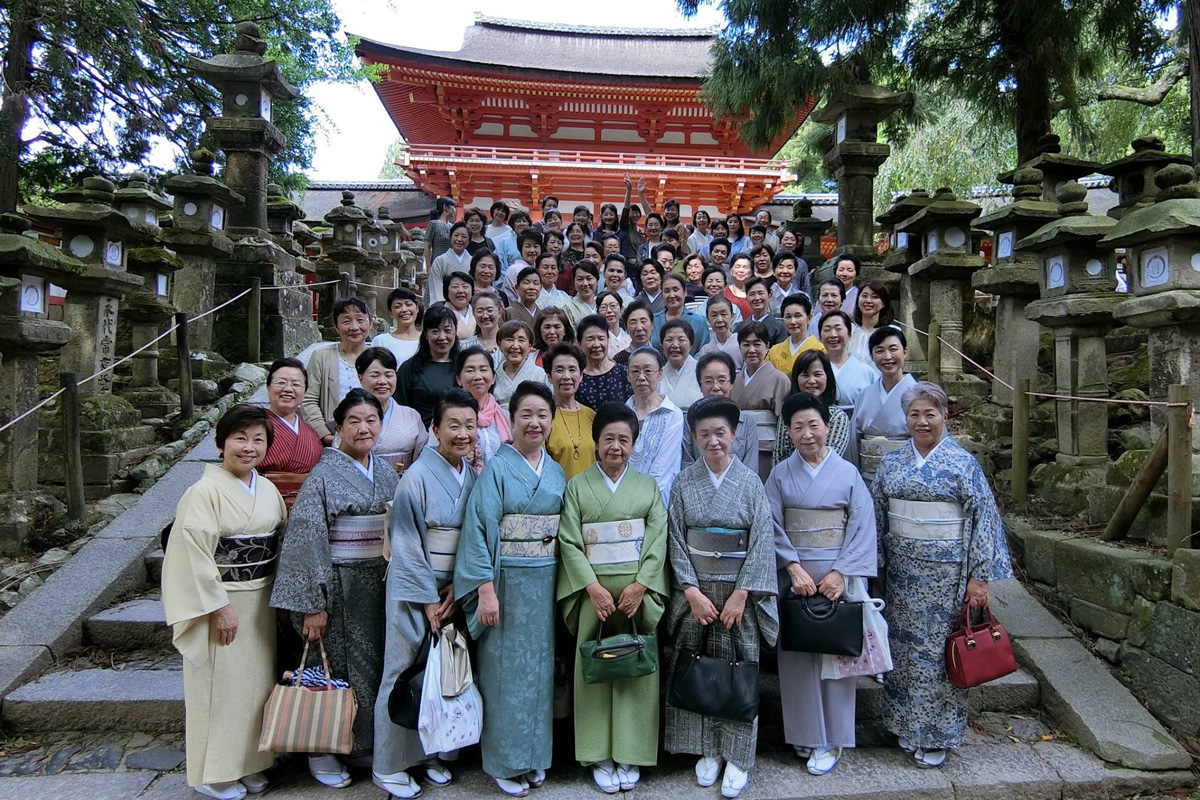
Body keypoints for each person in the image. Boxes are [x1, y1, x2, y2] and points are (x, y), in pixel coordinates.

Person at [874, 382, 1012, 768]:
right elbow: (878, 517)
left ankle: (938, 735)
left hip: (947, 577)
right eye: (914, 414)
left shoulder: (962, 464)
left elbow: (983, 521)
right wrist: (878, 566)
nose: (922, 421)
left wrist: (979, 578)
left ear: (944, 417)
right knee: (903, 653)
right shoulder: (892, 463)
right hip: (901, 575)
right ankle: (904, 726)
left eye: (929, 414)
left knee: (940, 656)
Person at [272, 390, 400, 788]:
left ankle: (359, 743)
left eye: (372, 420)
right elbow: (307, 538)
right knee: (331, 667)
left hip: (377, 584)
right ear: (338, 427)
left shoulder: (386, 471)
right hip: (337, 586)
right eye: (355, 421)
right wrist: (312, 603)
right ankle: (322, 751)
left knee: (372, 666)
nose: (364, 428)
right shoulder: (322, 476)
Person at [163, 405, 286, 800]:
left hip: (261, 598)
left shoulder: (266, 489)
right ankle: (214, 773)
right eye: (240, 438)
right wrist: (219, 606)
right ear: (221, 443)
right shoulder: (202, 492)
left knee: (253, 688)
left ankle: (248, 763)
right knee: (220, 689)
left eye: (258, 440)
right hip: (225, 601)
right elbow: (193, 555)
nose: (248, 448)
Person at [663, 397, 778, 800]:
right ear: (693, 438)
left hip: (737, 599)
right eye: (704, 434)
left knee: (738, 672)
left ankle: (739, 756)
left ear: (734, 435)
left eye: (721, 433)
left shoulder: (750, 483)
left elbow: (763, 541)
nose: (714, 441)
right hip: (697, 596)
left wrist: (742, 593)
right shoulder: (683, 483)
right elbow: (675, 539)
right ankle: (707, 750)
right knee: (699, 671)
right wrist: (690, 591)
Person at [455, 382, 567, 796]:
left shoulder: (554, 471)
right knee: (503, 675)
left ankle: (535, 757)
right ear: (512, 419)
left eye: (543, 415)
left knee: (539, 674)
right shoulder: (498, 469)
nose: (535, 422)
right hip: (505, 582)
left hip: (545, 579)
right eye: (526, 415)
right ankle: (504, 761)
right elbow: (480, 529)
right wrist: (484, 589)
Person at [557, 402, 668, 793]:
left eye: (624, 439)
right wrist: (592, 588)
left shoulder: (647, 487)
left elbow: (657, 540)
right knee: (596, 668)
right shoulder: (577, 487)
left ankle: (631, 752)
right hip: (594, 594)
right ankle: (598, 753)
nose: (616, 446)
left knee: (635, 669)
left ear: (634, 444)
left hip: (636, 592)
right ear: (596, 442)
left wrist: (641, 585)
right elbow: (569, 542)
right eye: (608, 439)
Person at [373, 389, 480, 799]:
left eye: (470, 425)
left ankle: (431, 753)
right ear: (435, 429)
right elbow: (405, 542)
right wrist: (428, 598)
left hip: (452, 588)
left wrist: (460, 583)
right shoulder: (416, 477)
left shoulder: (471, 476)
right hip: (413, 588)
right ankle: (388, 764)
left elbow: (474, 536)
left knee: (441, 673)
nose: (462, 433)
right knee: (402, 671)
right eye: (453, 425)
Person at [765, 392, 877, 776]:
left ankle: (834, 738)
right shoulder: (779, 474)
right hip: (795, 579)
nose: (807, 434)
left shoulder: (847, 473)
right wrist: (792, 567)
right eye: (798, 427)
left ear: (827, 427)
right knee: (797, 658)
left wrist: (840, 573)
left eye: (814, 425)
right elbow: (771, 525)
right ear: (789, 433)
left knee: (834, 657)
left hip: (835, 578)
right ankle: (805, 735)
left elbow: (862, 526)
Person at [303, 297, 373, 446]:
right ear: (336, 326)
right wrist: (326, 436)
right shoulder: (321, 357)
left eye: (360, 320)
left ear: (370, 324)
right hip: (332, 439)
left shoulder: (377, 358)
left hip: (372, 439)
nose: (354, 327)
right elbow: (308, 400)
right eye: (346, 321)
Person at [850, 327, 917, 484]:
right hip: (868, 479)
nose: (887, 357)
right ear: (872, 357)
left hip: (908, 477)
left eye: (893, 349)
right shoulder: (864, 395)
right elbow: (853, 442)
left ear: (905, 352)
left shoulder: (920, 395)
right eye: (879, 351)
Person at [259, 358, 324, 508]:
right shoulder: (253, 425)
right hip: (264, 504)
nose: (288, 389)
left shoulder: (310, 431)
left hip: (307, 507)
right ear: (268, 386)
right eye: (281, 382)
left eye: (296, 384)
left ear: (304, 391)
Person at [625, 347, 684, 507]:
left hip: (659, 503)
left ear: (660, 374)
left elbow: (663, 469)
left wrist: (641, 503)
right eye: (635, 371)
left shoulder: (672, 414)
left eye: (648, 371)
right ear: (628, 376)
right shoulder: (622, 413)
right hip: (621, 500)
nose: (641, 377)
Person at [352, 347, 428, 471]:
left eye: (389, 375)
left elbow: (423, 458)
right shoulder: (349, 415)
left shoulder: (412, 415)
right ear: (361, 378)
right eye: (375, 375)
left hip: (404, 484)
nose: (383, 381)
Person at [682, 353, 759, 474]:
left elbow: (751, 468)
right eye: (708, 381)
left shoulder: (747, 422)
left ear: (731, 383)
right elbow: (687, 464)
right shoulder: (688, 420)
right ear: (700, 385)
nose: (716, 387)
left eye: (722, 380)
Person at [773, 350, 850, 467]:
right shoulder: (788, 412)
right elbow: (779, 455)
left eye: (817, 374)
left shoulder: (837, 416)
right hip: (787, 479)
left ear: (827, 377)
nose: (812, 380)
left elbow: (832, 458)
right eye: (805, 375)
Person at [396, 303, 460, 428]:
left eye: (447, 331)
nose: (442, 337)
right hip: (422, 440)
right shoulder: (410, 368)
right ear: (426, 334)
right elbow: (400, 409)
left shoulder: (464, 366)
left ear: (455, 332)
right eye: (435, 331)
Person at [456, 345, 510, 474]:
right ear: (458, 379)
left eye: (483, 369)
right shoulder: (448, 417)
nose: (477, 376)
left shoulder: (506, 417)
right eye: (470, 370)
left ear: (493, 378)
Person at [545, 343, 596, 480]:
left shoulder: (591, 415)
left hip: (591, 496)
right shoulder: (544, 417)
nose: (566, 376)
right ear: (549, 376)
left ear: (581, 375)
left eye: (572, 369)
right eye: (559, 370)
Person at [820, 311, 878, 408]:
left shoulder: (867, 372)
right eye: (826, 330)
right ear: (820, 337)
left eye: (838, 329)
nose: (833, 335)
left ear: (849, 334)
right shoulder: (814, 369)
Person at [731, 322, 790, 415]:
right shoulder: (734, 379)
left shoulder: (780, 379)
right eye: (746, 345)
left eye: (757, 344)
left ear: (767, 346)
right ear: (739, 347)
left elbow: (783, 422)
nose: (751, 350)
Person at [577, 313, 633, 409]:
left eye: (601, 338)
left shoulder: (623, 373)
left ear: (608, 340)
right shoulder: (576, 378)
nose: (597, 344)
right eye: (590, 339)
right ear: (579, 343)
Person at [766, 294, 823, 376]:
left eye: (798, 316)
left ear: (809, 318)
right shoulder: (774, 351)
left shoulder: (820, 350)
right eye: (788, 317)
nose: (793, 321)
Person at [494, 320, 546, 409]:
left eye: (521, 340)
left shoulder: (541, 374)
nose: (515, 346)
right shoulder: (493, 376)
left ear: (530, 346)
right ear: (499, 344)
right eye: (509, 340)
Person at [653, 273, 709, 355]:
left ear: (685, 292)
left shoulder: (699, 321)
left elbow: (704, 352)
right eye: (667, 291)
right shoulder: (654, 321)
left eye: (675, 290)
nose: (672, 295)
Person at [372, 287, 422, 366]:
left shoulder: (428, 339)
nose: (404, 309)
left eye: (408, 304)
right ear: (391, 313)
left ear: (417, 308)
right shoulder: (381, 341)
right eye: (398, 306)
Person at [660, 319, 703, 410]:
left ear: (691, 345)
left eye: (681, 340)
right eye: (669, 339)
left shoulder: (703, 372)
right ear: (662, 345)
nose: (675, 345)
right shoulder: (657, 375)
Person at [849, 281, 895, 365]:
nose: (868, 300)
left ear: (883, 303)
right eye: (864, 296)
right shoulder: (849, 331)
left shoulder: (891, 333)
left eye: (875, 297)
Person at [429, 222, 472, 306]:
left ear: (469, 240)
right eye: (456, 235)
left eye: (464, 237)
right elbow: (436, 286)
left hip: (468, 306)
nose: (459, 239)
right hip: (445, 306)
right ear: (450, 237)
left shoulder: (473, 261)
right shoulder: (440, 261)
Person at [697, 294, 743, 370]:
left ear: (732, 315)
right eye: (714, 315)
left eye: (724, 314)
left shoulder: (741, 344)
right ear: (708, 319)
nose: (719, 320)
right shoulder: (705, 351)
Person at [460, 290, 503, 364]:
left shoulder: (510, 345)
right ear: (473, 313)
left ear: (500, 312)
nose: (485, 315)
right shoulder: (463, 346)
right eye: (480, 311)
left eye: (490, 310)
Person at [739, 277, 785, 345]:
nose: (757, 298)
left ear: (770, 295)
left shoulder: (779, 327)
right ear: (746, 298)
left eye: (760, 293)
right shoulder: (741, 326)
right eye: (752, 294)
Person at [502, 230, 543, 302]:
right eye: (528, 246)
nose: (532, 250)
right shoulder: (514, 269)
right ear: (520, 249)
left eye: (536, 246)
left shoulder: (541, 268)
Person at [769, 250, 811, 316]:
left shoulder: (804, 297)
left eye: (789, 267)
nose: (785, 271)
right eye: (781, 267)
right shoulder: (766, 297)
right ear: (773, 271)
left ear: (795, 272)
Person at [423, 196, 457, 275]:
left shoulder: (452, 227)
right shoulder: (434, 224)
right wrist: (428, 266)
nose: (455, 210)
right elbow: (427, 246)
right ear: (445, 207)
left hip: (450, 263)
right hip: (436, 262)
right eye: (453, 207)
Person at [616, 300, 655, 366]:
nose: (639, 328)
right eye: (633, 322)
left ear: (652, 324)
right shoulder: (618, 360)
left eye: (643, 321)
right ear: (626, 327)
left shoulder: (663, 354)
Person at [565, 261, 600, 331]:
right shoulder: (568, 309)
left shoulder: (603, 304)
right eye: (580, 279)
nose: (585, 283)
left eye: (589, 278)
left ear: (597, 281)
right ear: (574, 283)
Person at [445, 271, 477, 340]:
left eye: (465, 286)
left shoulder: (477, 312)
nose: (461, 291)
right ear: (446, 291)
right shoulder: (440, 314)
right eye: (455, 287)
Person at [723, 255, 753, 319]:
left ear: (751, 272)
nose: (741, 270)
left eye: (745, 267)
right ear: (731, 271)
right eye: (737, 267)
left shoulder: (756, 293)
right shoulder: (723, 293)